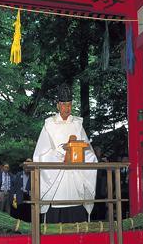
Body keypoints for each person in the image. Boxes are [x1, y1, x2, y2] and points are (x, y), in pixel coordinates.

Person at [33, 83, 97, 224]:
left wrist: (80, 155)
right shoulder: (49, 125)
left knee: (76, 216)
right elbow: (40, 154)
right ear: (57, 106)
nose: (67, 108)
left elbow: (88, 150)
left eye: (69, 104)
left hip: (74, 177)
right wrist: (59, 156)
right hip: (56, 179)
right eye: (63, 104)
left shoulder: (77, 124)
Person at [91, 146, 108, 221]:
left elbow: (106, 175)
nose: (100, 153)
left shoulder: (102, 162)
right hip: (94, 184)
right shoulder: (91, 161)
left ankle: (101, 219)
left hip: (100, 184)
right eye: (99, 152)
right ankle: (94, 218)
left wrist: (106, 185)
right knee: (94, 204)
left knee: (101, 203)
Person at [14, 158, 32, 222]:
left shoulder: (33, 175)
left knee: (29, 213)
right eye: (25, 167)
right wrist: (15, 196)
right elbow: (15, 186)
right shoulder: (19, 175)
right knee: (20, 213)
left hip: (29, 196)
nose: (27, 169)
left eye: (28, 167)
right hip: (21, 195)